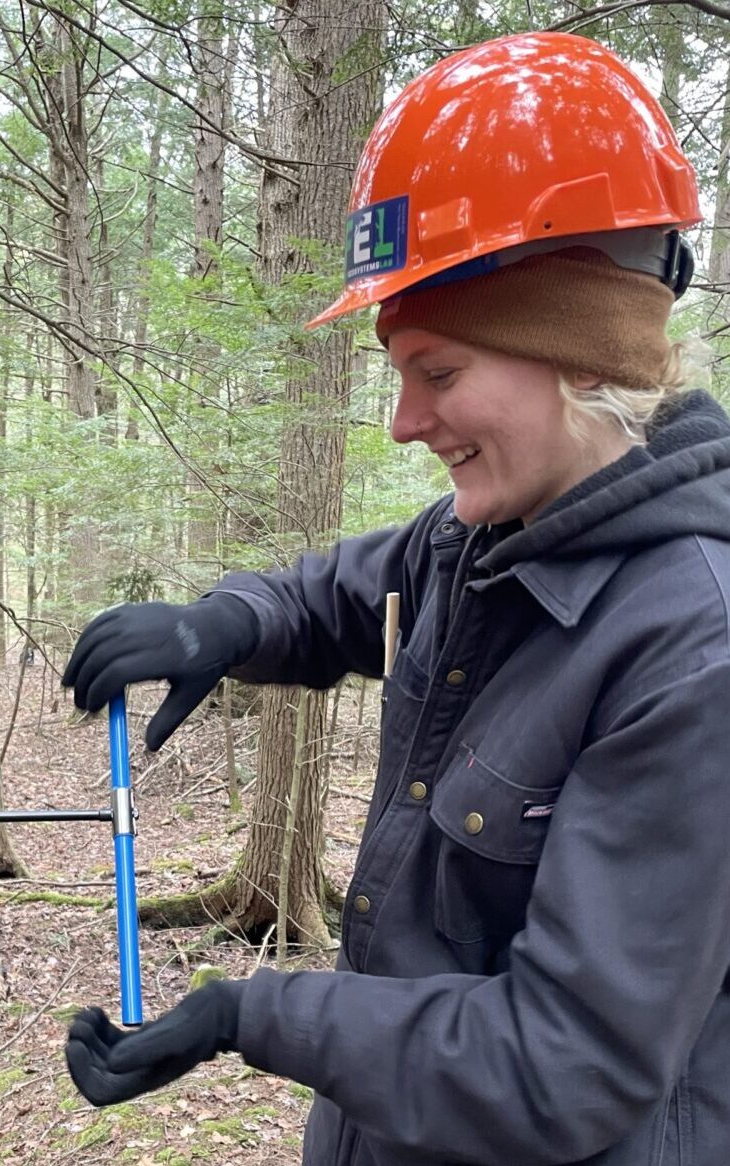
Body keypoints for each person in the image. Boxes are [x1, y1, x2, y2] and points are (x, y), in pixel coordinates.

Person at [60, 31, 730, 1166]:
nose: (403, 423)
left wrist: (252, 1014)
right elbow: (341, 592)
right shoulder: (492, 536)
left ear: (575, 350)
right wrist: (220, 625)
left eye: (439, 372)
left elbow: (563, 1062)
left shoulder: (691, 649)